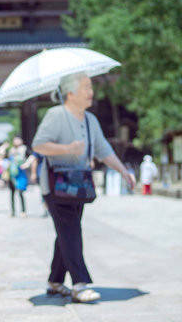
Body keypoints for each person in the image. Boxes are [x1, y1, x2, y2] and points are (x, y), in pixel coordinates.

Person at [35, 66, 135, 302]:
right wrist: (67, 149)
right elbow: (38, 144)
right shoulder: (56, 115)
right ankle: (80, 284)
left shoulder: (90, 119)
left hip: (78, 185)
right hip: (56, 184)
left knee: (66, 232)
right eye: (86, 87)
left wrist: (123, 171)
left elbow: (103, 150)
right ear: (70, 93)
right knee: (71, 230)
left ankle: (55, 281)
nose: (91, 91)